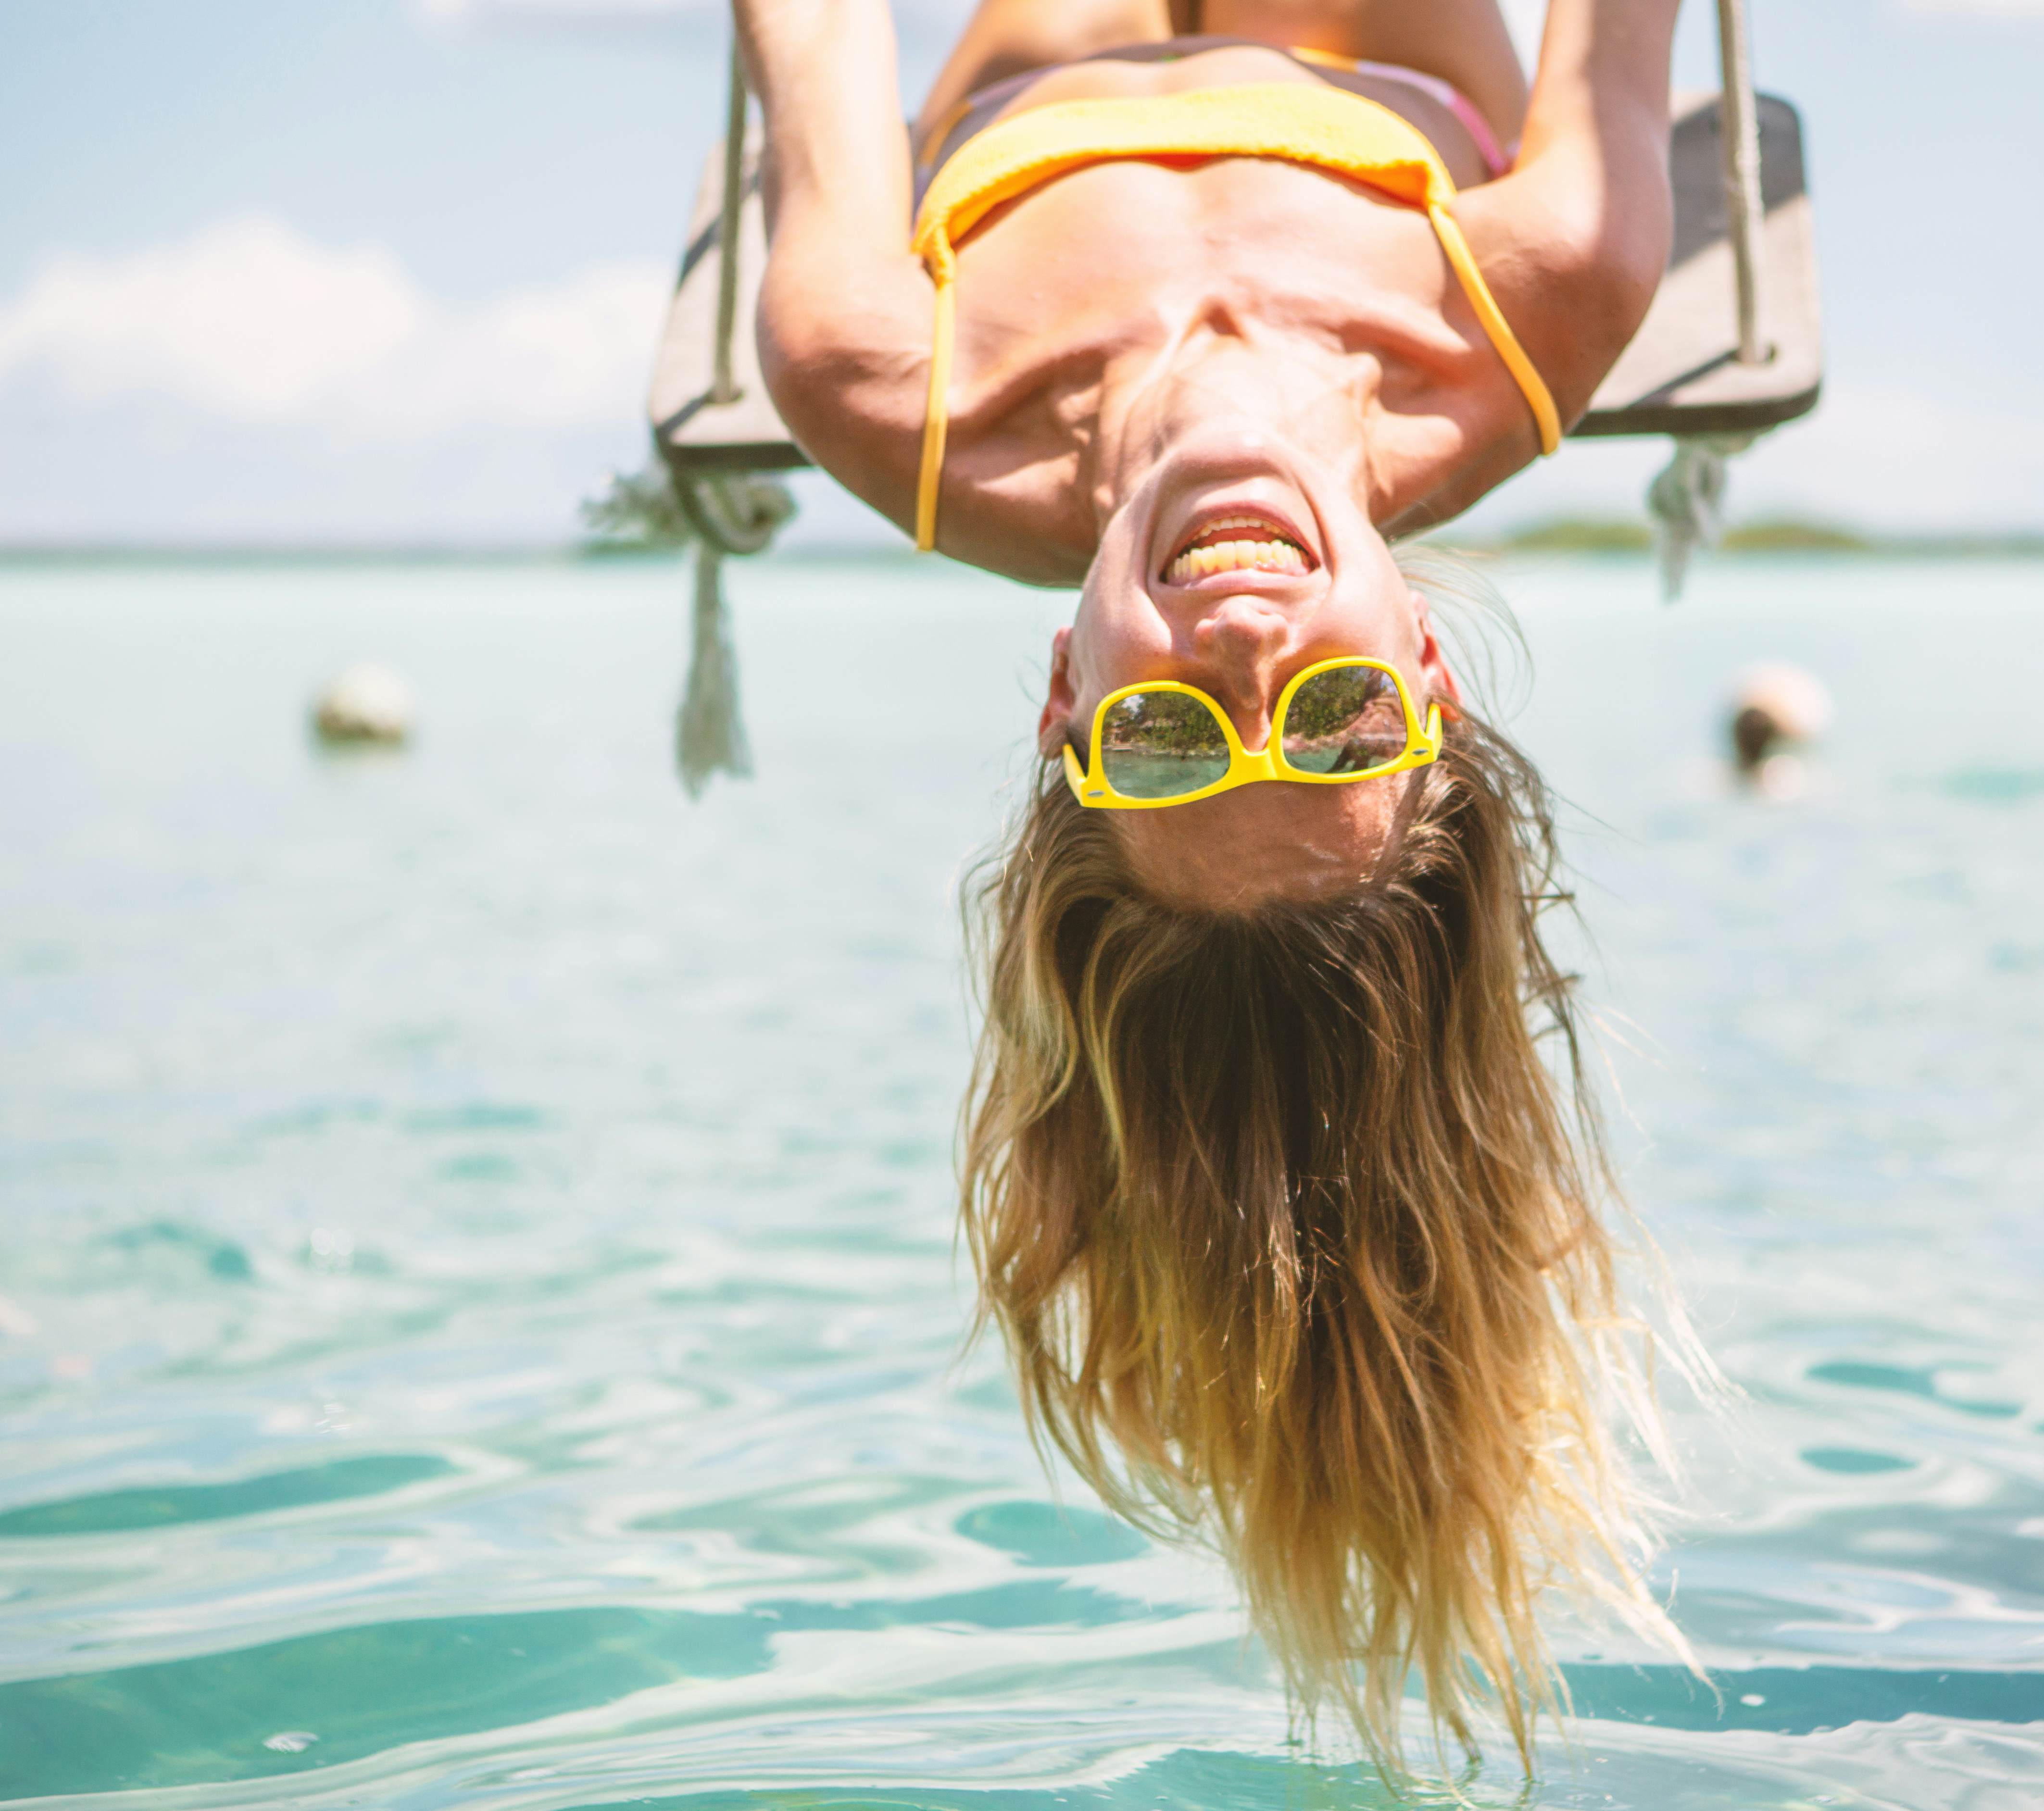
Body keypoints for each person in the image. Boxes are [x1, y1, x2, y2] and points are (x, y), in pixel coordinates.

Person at [729, 0, 1699, 1774]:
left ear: (1061, 701)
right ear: (1423, 664)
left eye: (1170, 743)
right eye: (1335, 721)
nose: (1245, 650)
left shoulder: (872, 377)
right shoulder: (1538, 299)